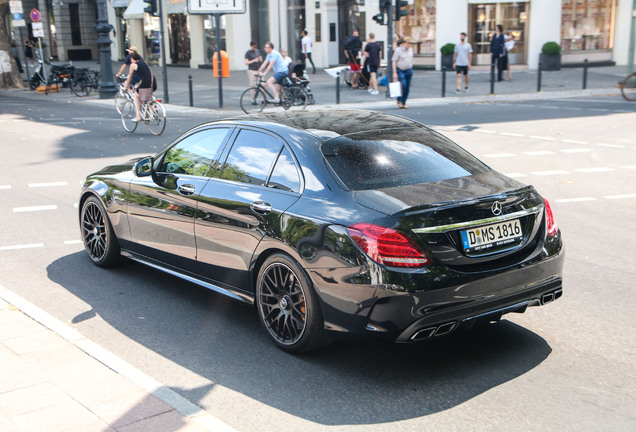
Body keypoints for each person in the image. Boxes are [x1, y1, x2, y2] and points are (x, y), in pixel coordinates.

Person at [123, 52, 153, 123]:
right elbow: (149, 73)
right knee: (146, 97)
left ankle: (138, 117)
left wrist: (126, 86)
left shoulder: (133, 65)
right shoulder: (145, 62)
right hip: (150, 82)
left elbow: (129, 78)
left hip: (144, 83)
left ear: (132, 59)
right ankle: (148, 114)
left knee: (136, 97)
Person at [392, 37, 414, 109]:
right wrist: (394, 72)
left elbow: (411, 59)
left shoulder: (411, 50)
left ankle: (403, 102)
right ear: (404, 43)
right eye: (407, 43)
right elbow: (394, 61)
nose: (408, 44)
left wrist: (411, 65)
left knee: (407, 87)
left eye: (409, 43)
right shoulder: (399, 50)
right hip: (401, 69)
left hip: (409, 70)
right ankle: (399, 100)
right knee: (403, 85)